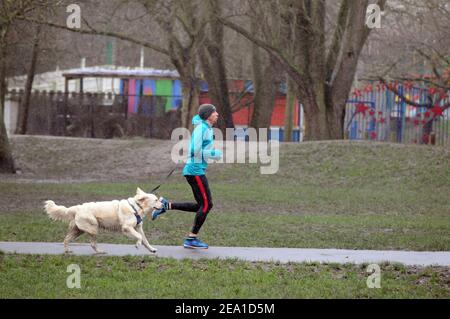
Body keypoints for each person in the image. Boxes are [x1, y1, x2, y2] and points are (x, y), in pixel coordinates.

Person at [151, 104, 222, 249]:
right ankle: (191, 239)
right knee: (207, 205)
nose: (217, 114)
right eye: (214, 112)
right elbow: (194, 150)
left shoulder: (205, 128)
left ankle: (166, 205)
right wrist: (214, 154)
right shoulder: (202, 128)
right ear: (208, 115)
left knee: (201, 206)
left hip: (195, 170)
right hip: (195, 170)